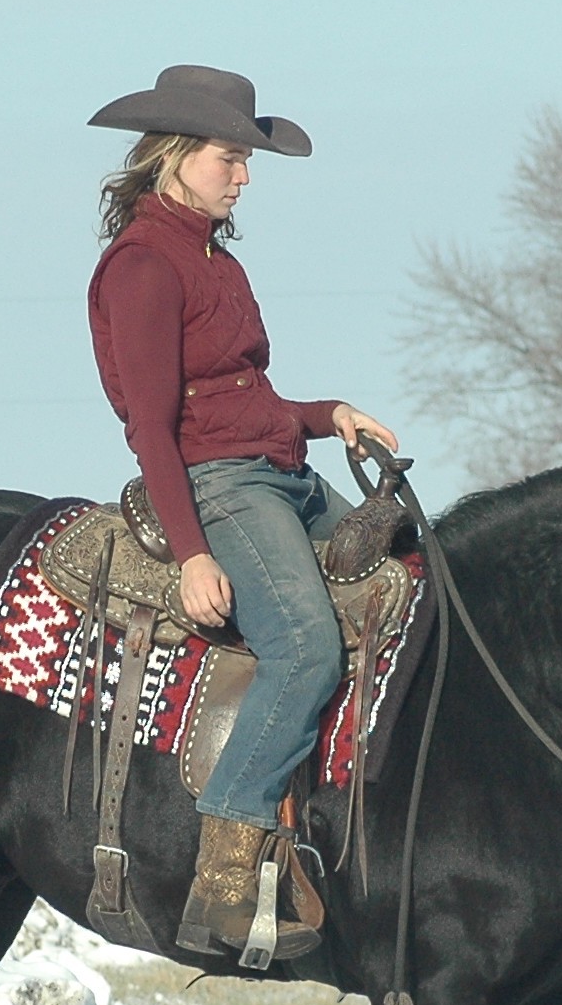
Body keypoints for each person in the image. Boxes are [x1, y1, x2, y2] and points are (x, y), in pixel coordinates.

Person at [85, 64, 399, 958]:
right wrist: (192, 555)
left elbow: (238, 396)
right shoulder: (143, 267)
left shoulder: (215, 255)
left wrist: (323, 416)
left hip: (282, 468)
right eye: (232, 157)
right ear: (176, 157)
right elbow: (153, 425)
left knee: (412, 583)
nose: (245, 175)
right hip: (222, 487)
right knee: (305, 644)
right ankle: (226, 865)